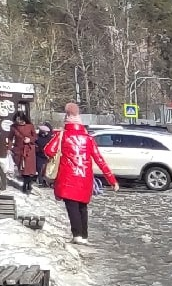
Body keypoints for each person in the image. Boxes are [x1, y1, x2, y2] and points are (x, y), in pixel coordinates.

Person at [43, 103, 118, 246]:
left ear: (66, 120)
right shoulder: (88, 138)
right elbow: (99, 159)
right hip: (85, 178)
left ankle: (77, 235)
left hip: (67, 177)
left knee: (72, 207)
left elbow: (48, 151)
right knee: (82, 207)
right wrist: (112, 180)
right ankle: (84, 235)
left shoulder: (62, 136)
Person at [7, 116, 40, 192]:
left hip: (29, 150)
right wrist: (9, 148)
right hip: (19, 150)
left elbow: (35, 136)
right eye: (18, 119)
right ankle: (27, 183)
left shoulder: (30, 126)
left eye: (21, 119)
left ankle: (27, 184)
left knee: (28, 169)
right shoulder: (13, 127)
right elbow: (10, 138)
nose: (19, 121)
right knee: (21, 169)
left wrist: (30, 140)